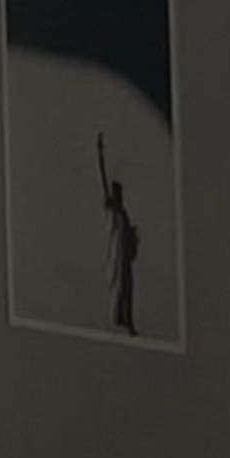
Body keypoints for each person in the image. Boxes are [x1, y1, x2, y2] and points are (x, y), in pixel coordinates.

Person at [96, 131, 142, 339]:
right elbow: (103, 179)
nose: (118, 196)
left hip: (125, 256)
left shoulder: (123, 213)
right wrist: (100, 153)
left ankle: (129, 320)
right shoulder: (113, 211)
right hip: (116, 254)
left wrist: (134, 237)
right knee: (119, 285)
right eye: (117, 193)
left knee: (128, 287)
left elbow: (129, 237)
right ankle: (121, 318)